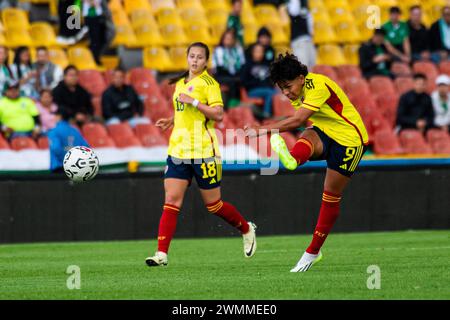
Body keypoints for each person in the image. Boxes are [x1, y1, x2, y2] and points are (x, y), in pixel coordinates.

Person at [244, 53, 369, 272]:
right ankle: (293, 159)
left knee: (330, 196)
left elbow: (299, 119)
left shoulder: (317, 85)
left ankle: (313, 252)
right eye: (281, 88)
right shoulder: (297, 92)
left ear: (301, 77)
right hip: (326, 130)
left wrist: (262, 129)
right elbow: (303, 120)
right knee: (309, 136)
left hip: (350, 141)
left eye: (288, 86)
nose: (285, 92)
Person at [145, 42, 257, 267]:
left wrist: (194, 101)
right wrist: (172, 119)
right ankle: (161, 254)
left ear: (206, 61)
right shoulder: (180, 83)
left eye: (199, 57)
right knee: (171, 201)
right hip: (178, 150)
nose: (194, 60)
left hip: (204, 150)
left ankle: (246, 229)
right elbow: (184, 113)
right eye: (191, 56)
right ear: (187, 58)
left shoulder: (209, 84)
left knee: (213, 205)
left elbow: (218, 114)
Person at [241, 43, 277, 118]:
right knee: (270, 92)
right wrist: (258, 82)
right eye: (257, 51)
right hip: (253, 91)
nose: (259, 53)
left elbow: (271, 80)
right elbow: (244, 82)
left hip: (267, 89)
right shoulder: (247, 65)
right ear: (252, 52)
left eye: (261, 51)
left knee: (277, 93)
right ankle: (266, 114)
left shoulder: (267, 64)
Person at [212, 28, 245, 109]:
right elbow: (219, 67)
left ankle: (238, 102)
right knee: (232, 81)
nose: (229, 40)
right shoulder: (218, 50)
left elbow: (242, 63)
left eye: (231, 39)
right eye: (227, 38)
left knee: (240, 79)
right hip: (221, 75)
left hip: (234, 74)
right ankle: (232, 103)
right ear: (223, 39)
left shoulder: (237, 50)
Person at [82, 0, 115, 66]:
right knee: (95, 39)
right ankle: (94, 58)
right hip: (91, 14)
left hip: (100, 15)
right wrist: (93, 3)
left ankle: (96, 56)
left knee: (102, 38)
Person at [286, 0, 316, 69]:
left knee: (311, 66)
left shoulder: (304, 2)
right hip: (298, 40)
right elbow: (294, 11)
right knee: (302, 67)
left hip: (308, 39)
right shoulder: (294, 2)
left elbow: (308, 16)